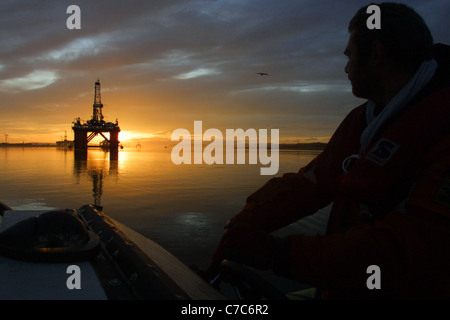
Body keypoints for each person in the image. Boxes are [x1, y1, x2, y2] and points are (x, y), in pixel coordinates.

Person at [208, 2, 450, 299]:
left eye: (349, 55)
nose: (346, 67)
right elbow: (312, 183)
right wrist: (244, 221)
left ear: (374, 54)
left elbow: (410, 248)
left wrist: (278, 254)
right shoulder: (363, 121)